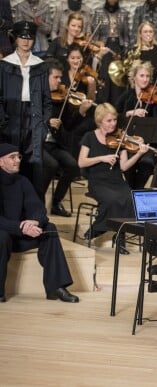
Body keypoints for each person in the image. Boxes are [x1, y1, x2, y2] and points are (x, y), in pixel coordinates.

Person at [0, 142, 79, 303]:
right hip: (6, 234)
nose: (17, 160)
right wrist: (20, 227)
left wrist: (34, 221)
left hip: (22, 232)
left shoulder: (22, 181)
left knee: (49, 229)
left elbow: (38, 208)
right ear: (0, 161)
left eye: (19, 156)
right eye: (12, 157)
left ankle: (56, 288)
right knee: (1, 237)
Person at [77, 103, 148, 242]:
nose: (113, 124)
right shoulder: (89, 137)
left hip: (116, 180)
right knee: (112, 200)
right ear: (99, 121)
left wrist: (139, 153)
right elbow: (81, 162)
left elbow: (124, 167)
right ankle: (98, 228)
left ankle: (120, 235)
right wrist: (101, 158)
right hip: (97, 181)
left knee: (130, 199)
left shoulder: (119, 138)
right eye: (109, 121)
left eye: (114, 120)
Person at [0, 21, 52, 200]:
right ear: (16, 39)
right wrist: (3, 122)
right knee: (10, 161)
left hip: (34, 118)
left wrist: (44, 125)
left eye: (30, 38)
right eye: (23, 37)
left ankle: (33, 211)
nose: (26, 41)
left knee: (33, 164)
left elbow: (47, 100)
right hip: (11, 118)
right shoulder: (5, 65)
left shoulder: (40, 65)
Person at [115, 60, 157, 190]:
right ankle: (133, 191)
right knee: (128, 164)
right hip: (127, 143)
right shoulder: (126, 96)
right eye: (142, 76)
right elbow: (114, 117)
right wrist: (130, 113)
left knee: (147, 162)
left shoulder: (154, 99)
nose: (145, 79)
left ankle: (135, 191)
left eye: (147, 76)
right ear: (134, 77)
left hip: (148, 144)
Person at [43, 59, 86, 217]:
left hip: (54, 144)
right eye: (56, 77)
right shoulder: (35, 96)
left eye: (61, 77)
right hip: (38, 143)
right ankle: (38, 199)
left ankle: (55, 202)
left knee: (73, 166)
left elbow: (69, 125)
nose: (60, 81)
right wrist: (46, 122)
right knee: (51, 165)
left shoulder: (61, 99)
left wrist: (81, 112)